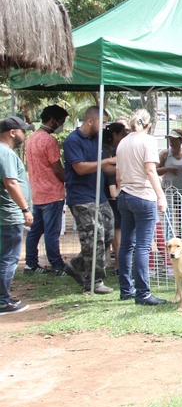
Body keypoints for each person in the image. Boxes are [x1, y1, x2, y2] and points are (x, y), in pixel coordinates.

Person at [62, 106, 117, 294]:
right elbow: (80, 168)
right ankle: (94, 282)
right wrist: (106, 162)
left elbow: (104, 169)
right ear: (90, 121)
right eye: (102, 123)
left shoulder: (98, 141)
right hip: (81, 197)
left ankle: (76, 266)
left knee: (108, 234)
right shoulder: (72, 141)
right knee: (93, 239)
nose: (104, 127)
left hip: (99, 196)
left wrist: (124, 168)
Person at [116, 109, 169, 305]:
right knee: (143, 246)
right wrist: (160, 196)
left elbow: (119, 174)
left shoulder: (123, 142)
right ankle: (143, 293)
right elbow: (150, 170)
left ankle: (126, 289)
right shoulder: (147, 141)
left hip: (125, 195)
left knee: (126, 245)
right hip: (143, 196)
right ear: (148, 125)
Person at [23, 104, 68, 276]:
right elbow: (57, 169)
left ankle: (30, 264)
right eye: (61, 122)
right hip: (52, 193)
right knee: (51, 232)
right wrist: (70, 179)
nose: (60, 126)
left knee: (35, 231)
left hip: (38, 193)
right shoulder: (49, 140)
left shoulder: (32, 137)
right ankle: (57, 265)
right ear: (52, 120)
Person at [1, 117, 34, 315]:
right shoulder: (5, 153)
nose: (25, 134)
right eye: (23, 130)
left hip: (5, 214)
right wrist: (24, 209)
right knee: (8, 258)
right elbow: (11, 183)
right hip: (9, 214)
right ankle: (2, 301)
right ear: (12, 132)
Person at [103, 122, 129, 276]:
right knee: (116, 238)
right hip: (113, 200)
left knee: (116, 237)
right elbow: (113, 191)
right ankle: (119, 267)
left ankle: (118, 266)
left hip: (113, 200)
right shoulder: (112, 167)